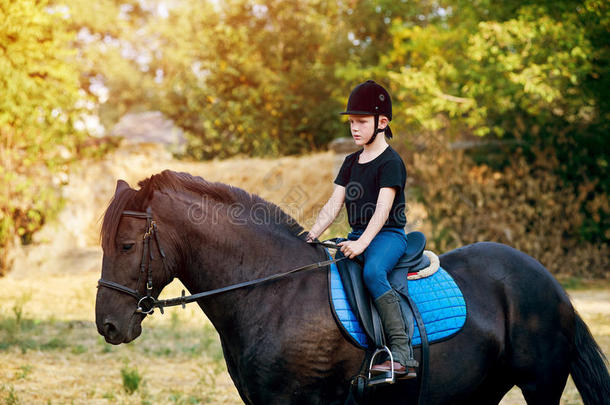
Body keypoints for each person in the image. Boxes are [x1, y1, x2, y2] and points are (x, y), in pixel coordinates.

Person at [306, 80, 418, 378]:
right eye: (352, 122)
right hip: (359, 235)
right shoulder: (351, 161)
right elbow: (334, 203)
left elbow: (382, 211)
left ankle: (402, 353)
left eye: (361, 122)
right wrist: (312, 233)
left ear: (382, 122)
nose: (354, 128)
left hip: (387, 236)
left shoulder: (391, 162)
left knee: (372, 273)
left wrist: (362, 244)